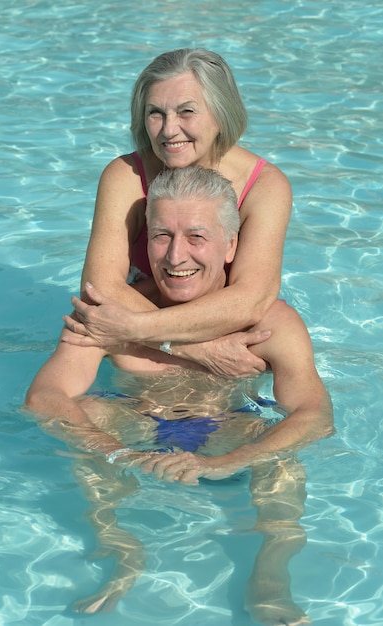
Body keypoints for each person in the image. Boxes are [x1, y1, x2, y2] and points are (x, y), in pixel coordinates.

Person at [25, 166, 333, 623]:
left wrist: (227, 462)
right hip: (135, 427)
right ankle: (118, 545)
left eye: (196, 236)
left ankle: (269, 576)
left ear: (231, 245)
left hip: (229, 429)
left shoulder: (268, 323)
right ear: (144, 243)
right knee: (86, 413)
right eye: (161, 236)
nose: (175, 255)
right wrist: (116, 455)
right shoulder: (111, 316)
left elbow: (315, 415)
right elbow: (44, 398)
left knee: (283, 458)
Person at [72, 48, 293, 377]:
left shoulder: (264, 186)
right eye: (155, 113)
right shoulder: (126, 177)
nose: (168, 130)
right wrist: (197, 350)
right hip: (146, 327)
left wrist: (137, 328)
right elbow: (99, 289)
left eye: (186, 111)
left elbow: (252, 300)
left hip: (222, 322)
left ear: (221, 114)